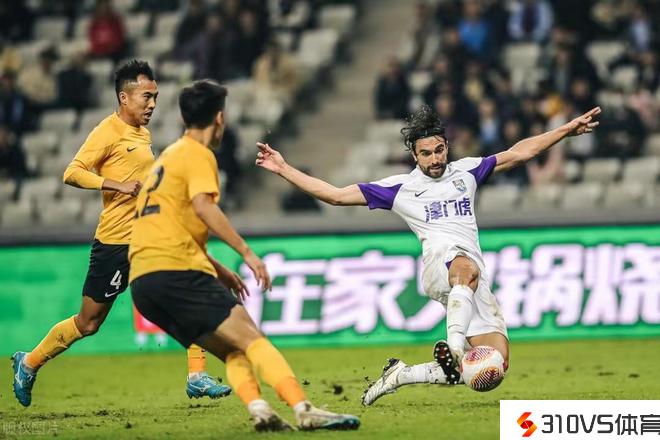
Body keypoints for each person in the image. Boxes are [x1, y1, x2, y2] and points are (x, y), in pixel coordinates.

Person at [255, 103, 600, 404]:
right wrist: (284, 168)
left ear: (446, 147)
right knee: (464, 267)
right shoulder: (400, 188)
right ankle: (454, 344)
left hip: (470, 279)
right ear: (414, 156)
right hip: (441, 266)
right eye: (426, 154)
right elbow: (335, 195)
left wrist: (565, 131)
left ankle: (401, 375)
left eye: (439, 150)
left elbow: (520, 153)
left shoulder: (467, 171)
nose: (434, 159)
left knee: (493, 365)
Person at [128, 79, 360, 432]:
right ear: (219, 118)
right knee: (252, 338)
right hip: (177, 272)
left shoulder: (166, 160)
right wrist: (247, 253)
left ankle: (260, 409)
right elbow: (203, 206)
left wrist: (218, 269)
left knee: (232, 350)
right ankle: (304, 408)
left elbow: (171, 228)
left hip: (144, 284)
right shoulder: (198, 154)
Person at [11, 60, 229, 408]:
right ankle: (29, 362)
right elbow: (72, 172)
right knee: (88, 323)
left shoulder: (142, 133)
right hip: (114, 242)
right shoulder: (107, 131)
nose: (152, 104)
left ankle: (196, 376)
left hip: (147, 238)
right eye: (146, 97)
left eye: (155, 97)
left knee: (186, 293)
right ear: (124, 97)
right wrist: (117, 185)